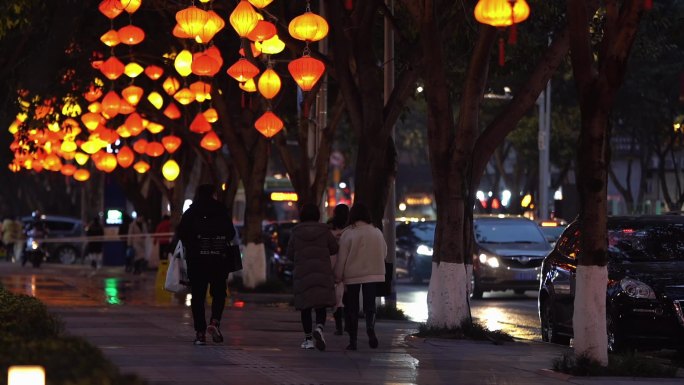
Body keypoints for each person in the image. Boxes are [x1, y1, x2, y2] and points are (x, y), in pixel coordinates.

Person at [176, 184, 236, 346]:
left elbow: (181, 233)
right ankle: (215, 322)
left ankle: (200, 333)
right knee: (218, 293)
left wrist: (194, 243)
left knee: (198, 297)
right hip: (218, 260)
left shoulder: (191, 212)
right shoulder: (221, 211)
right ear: (213, 194)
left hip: (197, 261)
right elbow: (231, 233)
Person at [334, 202, 387, 351]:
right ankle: (370, 327)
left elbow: (341, 258)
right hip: (373, 274)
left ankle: (353, 341)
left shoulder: (348, 233)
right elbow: (384, 253)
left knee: (352, 307)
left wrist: (338, 276)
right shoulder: (377, 232)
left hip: (352, 275)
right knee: (370, 305)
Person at [286, 203, 338, 351]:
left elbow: (289, 254)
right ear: (317, 215)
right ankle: (320, 328)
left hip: (303, 275)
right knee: (321, 304)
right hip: (322, 272)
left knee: (305, 307)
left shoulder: (296, 232)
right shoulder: (325, 231)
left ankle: (308, 340)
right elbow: (334, 248)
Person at [327, 204, 349, 336]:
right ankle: (348, 324)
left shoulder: (329, 227)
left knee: (336, 295)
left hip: (333, 262)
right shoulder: (351, 228)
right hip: (348, 262)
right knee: (347, 295)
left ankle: (339, 326)